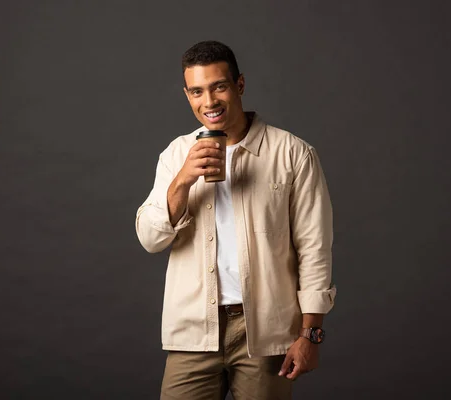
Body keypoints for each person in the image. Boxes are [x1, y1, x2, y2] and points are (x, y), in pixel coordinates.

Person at [135, 40, 336, 400]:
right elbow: (150, 239)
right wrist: (182, 179)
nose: (208, 101)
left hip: (265, 329)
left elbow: (314, 248)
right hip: (193, 328)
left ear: (239, 85)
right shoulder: (176, 154)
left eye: (219, 86)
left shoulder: (292, 153)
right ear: (187, 95)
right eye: (197, 91)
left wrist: (310, 335)